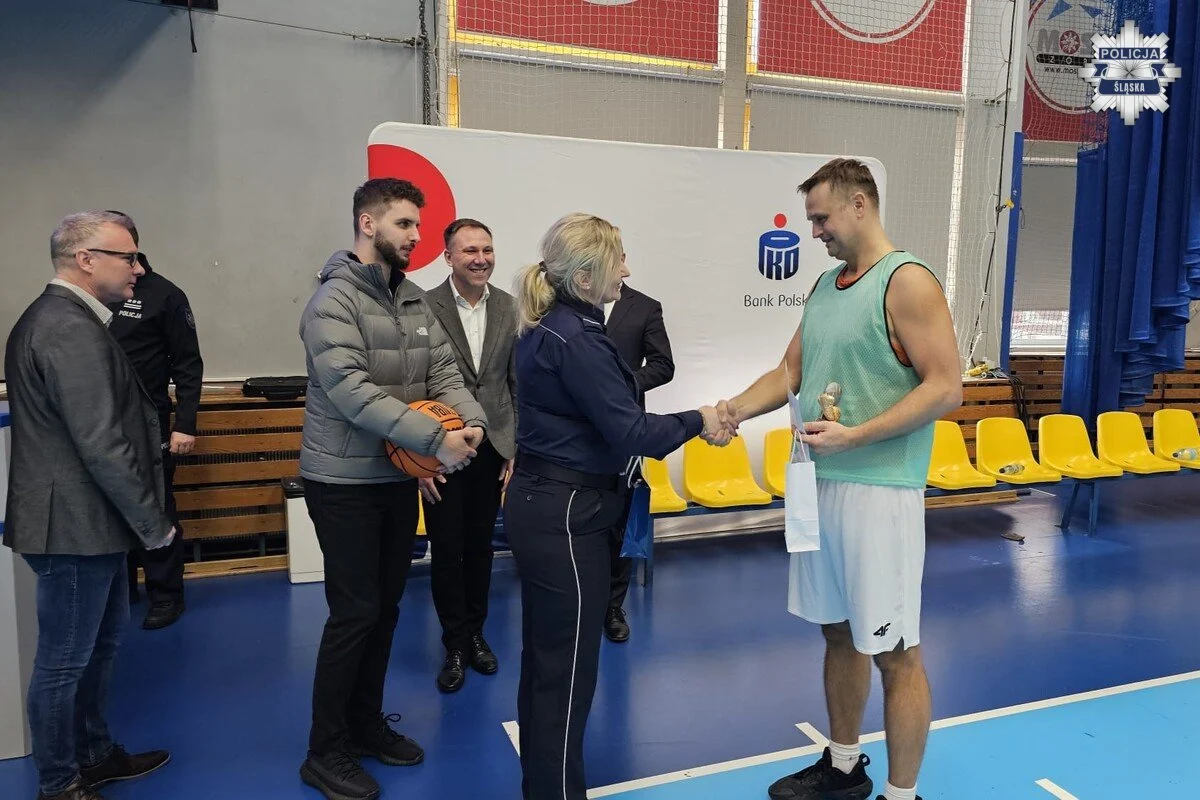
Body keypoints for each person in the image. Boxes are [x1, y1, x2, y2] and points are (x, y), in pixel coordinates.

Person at [714, 159, 962, 800]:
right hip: (819, 485)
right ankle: (845, 765)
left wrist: (857, 435)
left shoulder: (907, 282)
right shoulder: (826, 285)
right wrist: (733, 409)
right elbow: (789, 372)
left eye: (822, 218)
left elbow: (946, 387)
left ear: (859, 204)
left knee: (895, 650)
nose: (815, 231)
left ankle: (902, 795)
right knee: (838, 631)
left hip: (882, 491)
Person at [503, 212, 725, 800]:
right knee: (567, 672)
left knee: (546, 663)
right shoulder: (576, 339)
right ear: (584, 277)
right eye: (617, 260)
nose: (625, 271)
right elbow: (632, 432)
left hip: (544, 505)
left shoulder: (549, 326)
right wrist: (701, 419)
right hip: (566, 516)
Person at [297, 178, 488, 800]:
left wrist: (470, 423)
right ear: (367, 222)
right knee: (354, 612)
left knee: (384, 610)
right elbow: (351, 391)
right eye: (404, 224)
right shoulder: (332, 301)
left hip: (393, 480)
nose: (415, 236)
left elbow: (444, 372)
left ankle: (364, 724)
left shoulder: (410, 300)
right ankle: (324, 751)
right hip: (342, 481)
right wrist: (436, 440)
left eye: (418, 225)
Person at [4, 211, 175, 800]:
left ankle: (95, 755)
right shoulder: (66, 328)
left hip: (90, 522)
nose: (137, 268)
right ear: (85, 259)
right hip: (73, 525)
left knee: (98, 648)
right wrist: (152, 524)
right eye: (127, 257)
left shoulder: (69, 320)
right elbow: (100, 441)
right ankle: (60, 783)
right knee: (64, 663)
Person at [418, 218, 517, 693]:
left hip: (493, 447)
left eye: (487, 250)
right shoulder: (422, 306)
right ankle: (453, 645)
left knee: (481, 548)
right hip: (440, 450)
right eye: (470, 251)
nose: (481, 259)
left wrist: (515, 447)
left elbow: (515, 383)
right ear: (448, 257)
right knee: (446, 550)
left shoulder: (511, 308)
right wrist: (419, 459)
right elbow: (414, 384)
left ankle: (476, 635)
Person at [105, 212, 203, 631]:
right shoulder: (90, 296)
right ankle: (121, 589)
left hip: (150, 422)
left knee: (155, 507)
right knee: (109, 507)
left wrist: (185, 423)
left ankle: (166, 595)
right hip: (101, 423)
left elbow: (188, 364)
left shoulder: (164, 295)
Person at [600, 269, 675, 643]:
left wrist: (625, 383)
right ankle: (582, 601)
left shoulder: (644, 307)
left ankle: (613, 606)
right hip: (576, 434)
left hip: (626, 432)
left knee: (621, 521)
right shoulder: (564, 305)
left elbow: (663, 365)